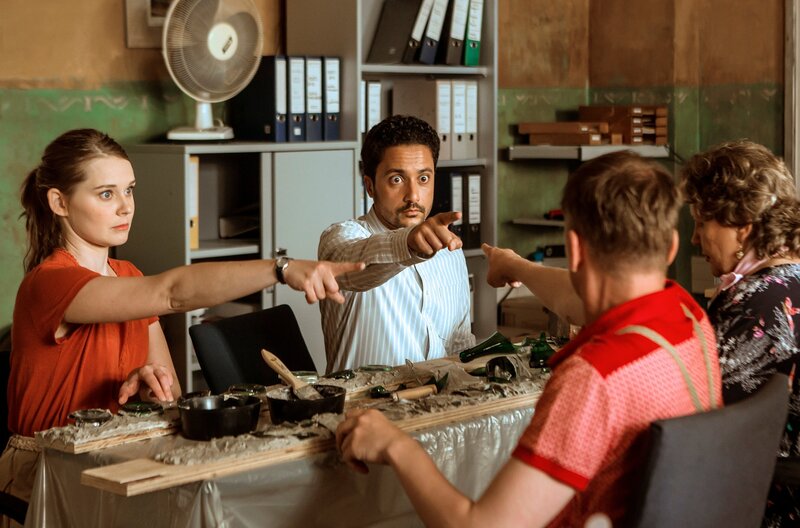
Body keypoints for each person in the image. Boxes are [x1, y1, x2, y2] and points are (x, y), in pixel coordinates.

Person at [336, 151, 722, 526]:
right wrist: (516, 266)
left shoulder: (591, 378)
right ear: (671, 246)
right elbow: (580, 302)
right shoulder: (691, 318)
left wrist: (397, 445)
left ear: (573, 250)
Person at [1, 128, 363, 512]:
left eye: (130, 190)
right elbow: (172, 293)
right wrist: (281, 269)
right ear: (59, 201)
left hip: (111, 463)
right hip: (43, 474)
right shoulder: (48, 282)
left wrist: (148, 386)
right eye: (106, 193)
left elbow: (169, 396)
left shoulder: (129, 276)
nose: (126, 206)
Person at [680, 140, 800, 525]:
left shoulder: (753, 304)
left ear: (743, 228)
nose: (695, 238)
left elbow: (694, 413)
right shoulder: (790, 280)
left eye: (701, 222)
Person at [318, 115, 474, 372]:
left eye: (423, 179)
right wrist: (409, 244)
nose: (413, 196)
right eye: (397, 180)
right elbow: (358, 266)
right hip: (363, 408)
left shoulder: (451, 253)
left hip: (439, 407)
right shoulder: (340, 237)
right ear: (370, 186)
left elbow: (460, 346)